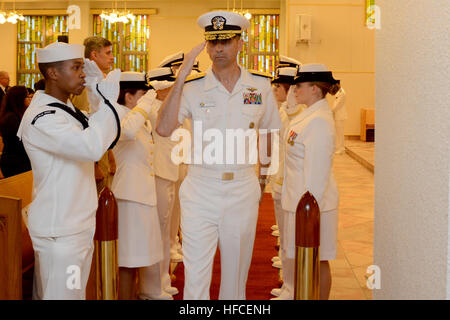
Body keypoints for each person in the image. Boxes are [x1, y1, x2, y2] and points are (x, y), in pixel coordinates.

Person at [156, 10, 282, 300]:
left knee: (236, 277)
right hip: (200, 187)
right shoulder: (192, 87)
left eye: (225, 41)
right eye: (212, 43)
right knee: (196, 274)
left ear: (240, 43)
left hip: (242, 187)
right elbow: (163, 128)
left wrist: (261, 182)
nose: (218, 49)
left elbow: (268, 134)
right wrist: (181, 77)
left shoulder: (260, 86)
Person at [16, 41, 122, 299]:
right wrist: (108, 100)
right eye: (76, 68)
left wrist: (98, 96)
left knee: (70, 294)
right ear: (53, 73)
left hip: (74, 225)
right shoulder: (43, 117)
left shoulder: (68, 110)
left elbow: (103, 132)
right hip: (61, 231)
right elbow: (91, 146)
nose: (82, 74)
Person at [281, 63, 340, 300]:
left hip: (311, 206)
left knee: (317, 259)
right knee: (306, 260)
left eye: (299, 85)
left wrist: (308, 214)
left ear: (315, 89)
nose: (295, 90)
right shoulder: (309, 115)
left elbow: (317, 174)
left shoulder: (319, 121)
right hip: (298, 202)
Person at [111, 71, 170, 300]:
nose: (148, 99)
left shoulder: (137, 117)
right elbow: (126, 131)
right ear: (129, 96)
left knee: (139, 258)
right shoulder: (120, 116)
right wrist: (147, 100)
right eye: (143, 94)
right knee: (128, 259)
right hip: (129, 197)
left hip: (143, 196)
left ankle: (135, 295)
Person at [268, 66, 304, 298]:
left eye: (277, 87)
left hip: (289, 181)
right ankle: (288, 282)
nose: (274, 90)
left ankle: (291, 286)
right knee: (285, 233)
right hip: (280, 178)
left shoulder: (297, 114)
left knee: (290, 237)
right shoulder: (285, 111)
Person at [145, 67, 181, 297]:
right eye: (169, 85)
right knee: (158, 230)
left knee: (165, 227)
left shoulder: (166, 106)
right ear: (160, 87)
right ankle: (153, 285)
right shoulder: (153, 108)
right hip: (159, 173)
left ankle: (163, 279)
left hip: (169, 171)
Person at [72, 36, 116, 193]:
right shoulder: (86, 86)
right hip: (91, 161)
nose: (112, 57)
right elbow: (85, 125)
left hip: (101, 153)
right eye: (108, 53)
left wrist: (110, 157)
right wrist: (94, 166)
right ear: (94, 55)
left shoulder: (98, 81)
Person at [0, 86, 32, 177]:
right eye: (27, 96)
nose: (29, 99)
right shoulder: (11, 118)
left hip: (18, 160)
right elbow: (20, 142)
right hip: (15, 163)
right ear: (19, 99)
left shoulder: (17, 115)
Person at [330, 81, 347, 154]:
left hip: (340, 115)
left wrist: (331, 111)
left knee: (340, 133)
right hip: (337, 115)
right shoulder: (339, 92)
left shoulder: (341, 93)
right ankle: (338, 148)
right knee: (337, 133)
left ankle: (341, 149)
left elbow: (337, 105)